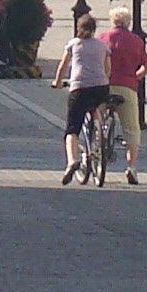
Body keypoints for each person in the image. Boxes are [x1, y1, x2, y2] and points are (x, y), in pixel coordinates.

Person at [53, 11, 114, 185]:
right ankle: (100, 135)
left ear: (78, 28)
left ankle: (72, 161)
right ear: (94, 30)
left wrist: (57, 82)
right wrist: (105, 80)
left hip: (79, 88)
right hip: (100, 87)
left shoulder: (73, 44)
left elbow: (63, 66)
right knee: (97, 110)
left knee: (72, 129)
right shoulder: (102, 46)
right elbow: (107, 68)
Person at [104, 4, 147, 185]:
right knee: (132, 129)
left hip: (105, 85)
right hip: (127, 86)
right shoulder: (136, 41)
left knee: (96, 112)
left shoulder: (103, 38)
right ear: (128, 22)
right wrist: (135, 77)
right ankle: (131, 166)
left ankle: (97, 140)